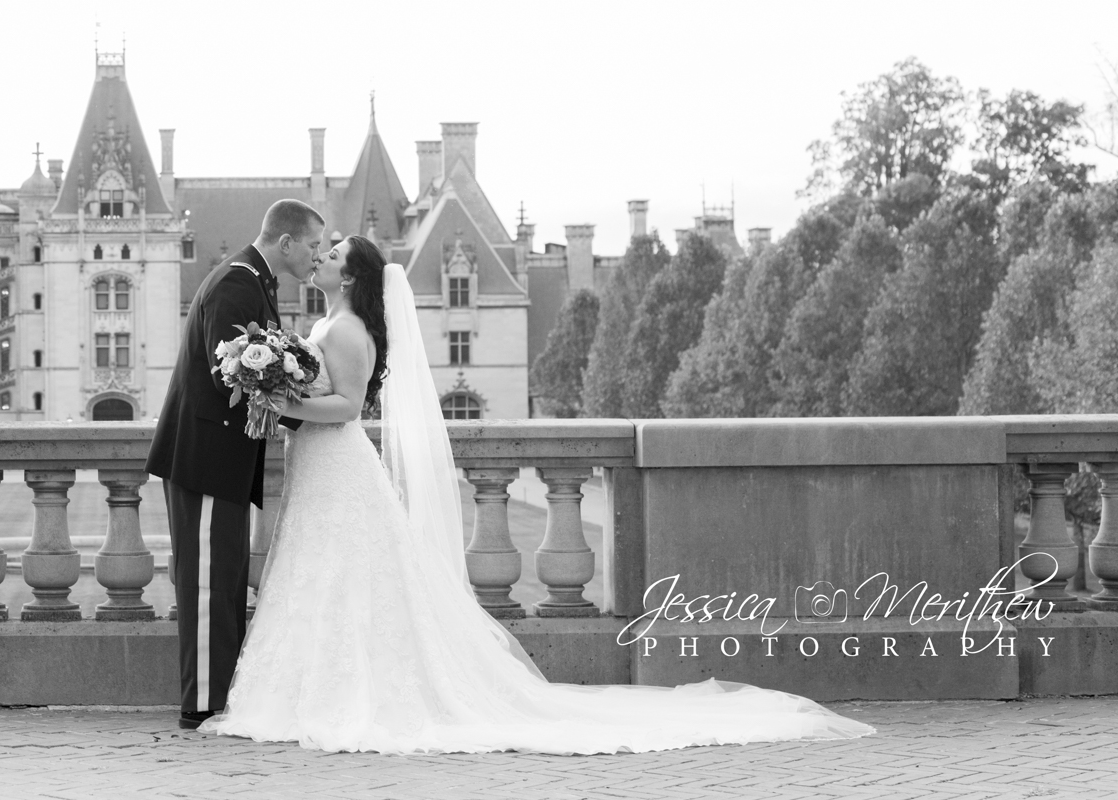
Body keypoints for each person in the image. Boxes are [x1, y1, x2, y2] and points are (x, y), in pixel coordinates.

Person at [200, 234, 875, 755]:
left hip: (337, 463)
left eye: (333, 254)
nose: (319, 258)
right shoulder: (332, 324)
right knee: (327, 580)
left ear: (349, 276)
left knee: (341, 577)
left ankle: (323, 695)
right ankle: (313, 689)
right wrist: (282, 392)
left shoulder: (344, 330)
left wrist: (284, 394)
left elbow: (346, 408)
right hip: (323, 468)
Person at [146, 199, 325, 731]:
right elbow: (235, 377)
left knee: (221, 580)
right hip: (204, 458)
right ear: (286, 241)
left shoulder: (253, 281)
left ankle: (216, 698)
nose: (317, 255)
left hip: (217, 459)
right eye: (314, 244)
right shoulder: (237, 283)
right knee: (207, 585)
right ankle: (202, 704)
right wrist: (309, 416)